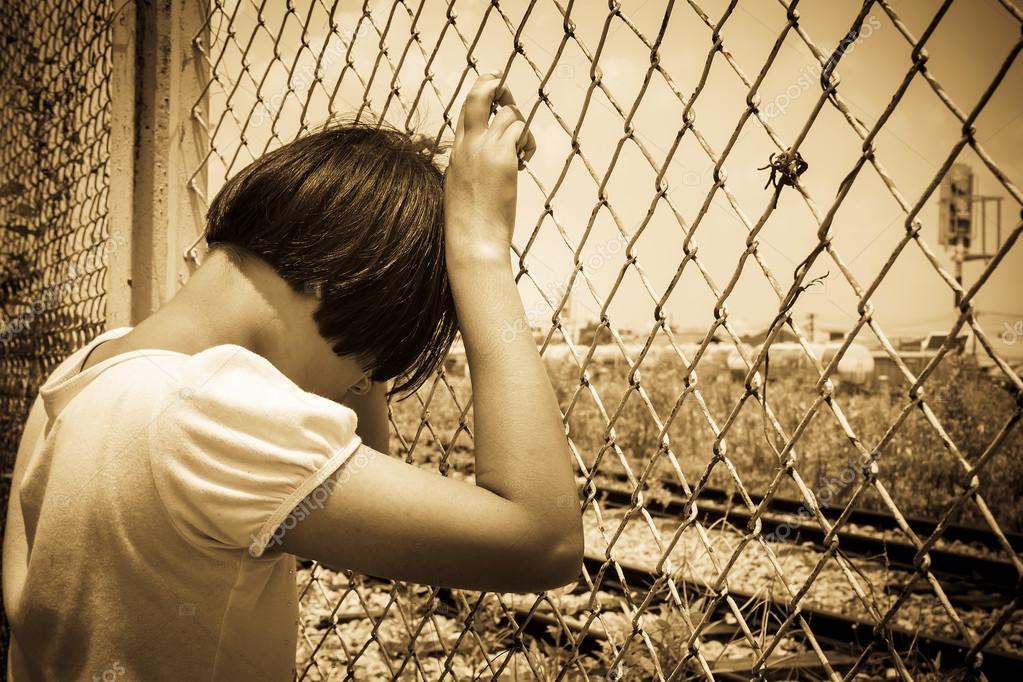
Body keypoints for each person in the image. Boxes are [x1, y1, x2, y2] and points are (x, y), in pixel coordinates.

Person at [2, 71, 583, 681]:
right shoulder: (209, 411)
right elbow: (544, 542)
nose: (361, 385)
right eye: (375, 362)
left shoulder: (84, 374)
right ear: (334, 280)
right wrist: (480, 251)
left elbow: (361, 461)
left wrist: (372, 307)